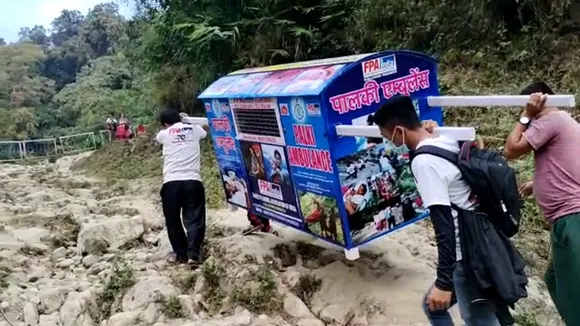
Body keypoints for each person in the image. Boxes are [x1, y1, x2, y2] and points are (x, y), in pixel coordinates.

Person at [373, 95, 502, 326]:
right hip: (485, 241)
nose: (388, 142)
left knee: (477, 319)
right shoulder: (443, 139)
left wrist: (443, 282)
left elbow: (444, 225)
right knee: (435, 307)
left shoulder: (424, 163)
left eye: (386, 136)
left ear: (399, 131)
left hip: (467, 255)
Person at [504, 82, 580, 326]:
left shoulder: (550, 120)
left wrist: (526, 115)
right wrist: (536, 182)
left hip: (572, 217)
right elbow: (567, 162)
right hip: (568, 217)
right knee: (555, 279)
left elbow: (511, 149)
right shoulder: (566, 122)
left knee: (574, 288)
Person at [155, 109, 208, 267]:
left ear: (165, 123)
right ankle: (193, 254)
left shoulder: (164, 134)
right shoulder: (195, 130)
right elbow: (207, 125)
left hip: (171, 183)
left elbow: (159, 138)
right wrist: (189, 120)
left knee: (172, 221)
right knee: (195, 218)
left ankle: (181, 255)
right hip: (193, 180)